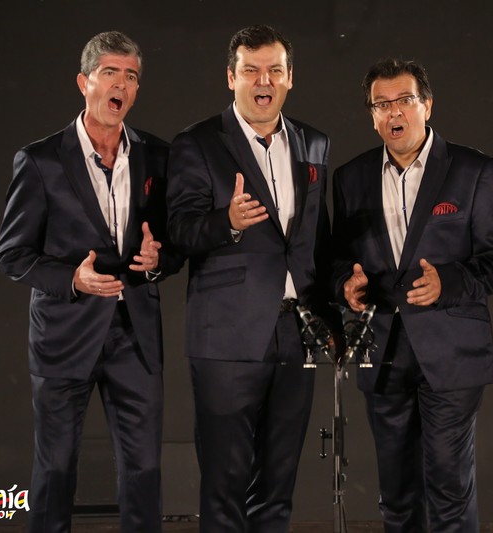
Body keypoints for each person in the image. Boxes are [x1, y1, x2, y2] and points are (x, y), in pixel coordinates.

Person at [0, 31, 184, 533]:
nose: (121, 84)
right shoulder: (41, 160)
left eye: (131, 76)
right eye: (110, 73)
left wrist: (158, 259)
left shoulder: (157, 156)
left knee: (144, 471)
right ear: (84, 83)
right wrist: (72, 279)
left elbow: (173, 245)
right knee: (55, 471)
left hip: (135, 337)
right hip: (64, 337)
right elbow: (12, 254)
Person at [331, 58, 493, 532]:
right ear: (372, 115)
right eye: (382, 104)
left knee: (449, 488)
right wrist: (345, 284)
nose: (394, 112)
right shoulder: (350, 178)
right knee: (396, 494)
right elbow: (336, 258)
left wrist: (448, 283)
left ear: (427, 105)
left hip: (452, 352)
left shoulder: (475, 171)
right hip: (382, 352)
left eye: (405, 100)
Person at [165, 25, 331, 533]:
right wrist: (228, 223)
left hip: (295, 333)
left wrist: (329, 314)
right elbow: (179, 232)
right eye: (252, 71)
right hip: (226, 335)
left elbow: (315, 237)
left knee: (278, 484)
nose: (264, 81)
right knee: (225, 484)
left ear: (289, 78)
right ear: (231, 77)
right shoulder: (197, 143)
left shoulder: (313, 143)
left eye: (275, 71)